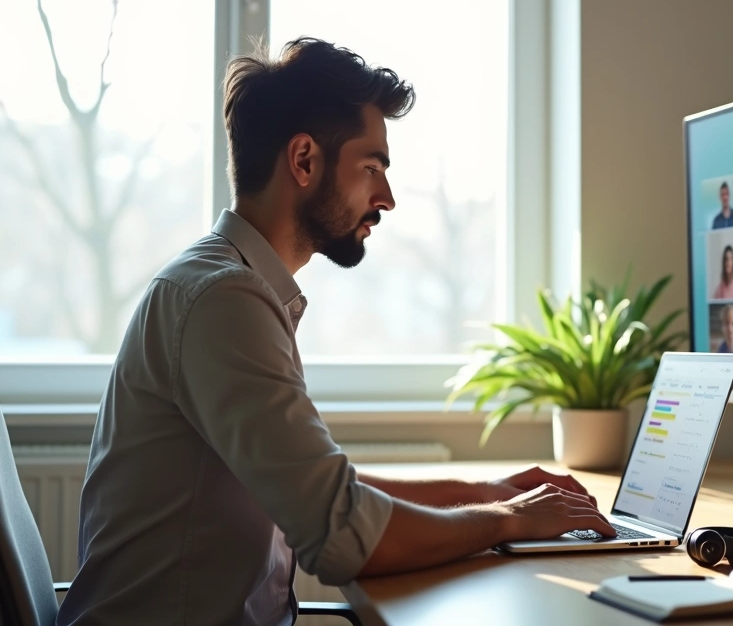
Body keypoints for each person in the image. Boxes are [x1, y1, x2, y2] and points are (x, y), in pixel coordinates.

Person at [56, 38, 613, 626]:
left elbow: (327, 491)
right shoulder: (223, 300)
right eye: (372, 167)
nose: (388, 199)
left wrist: (491, 489)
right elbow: (342, 533)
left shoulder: (231, 285)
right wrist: (513, 520)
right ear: (303, 160)